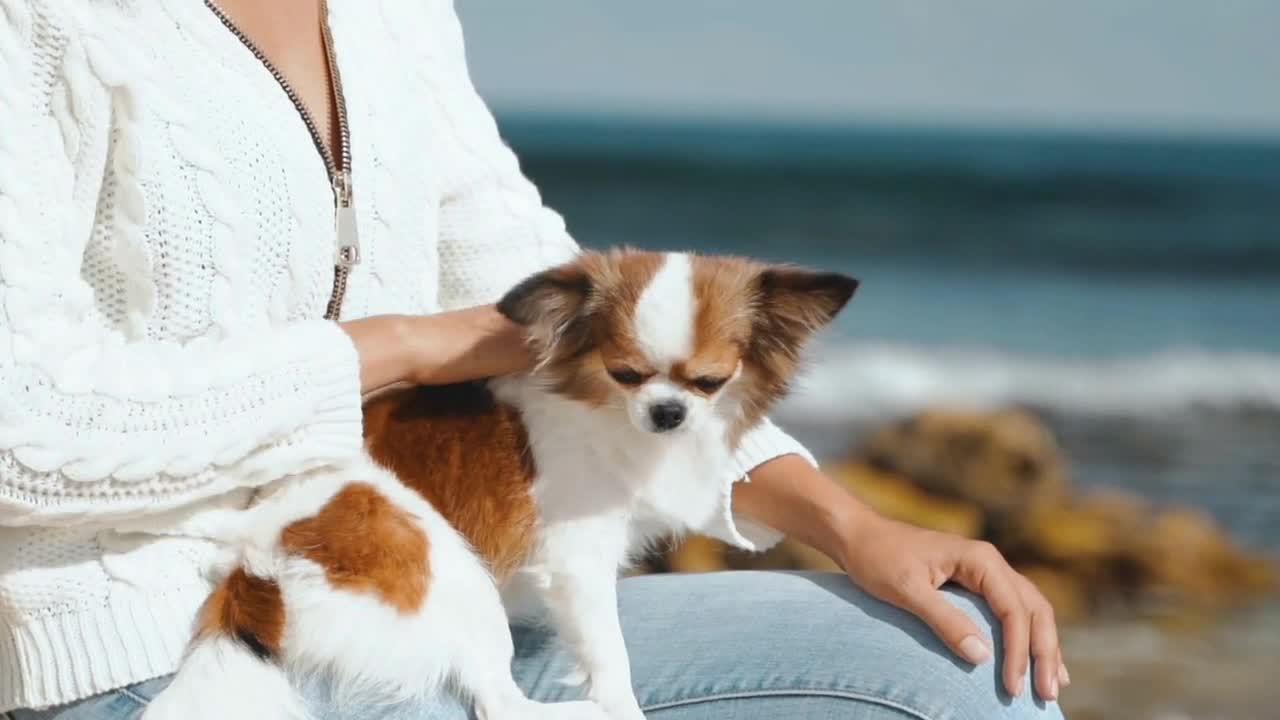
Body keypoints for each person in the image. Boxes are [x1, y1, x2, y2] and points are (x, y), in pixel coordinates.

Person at [0, 1, 1066, 718]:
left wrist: (848, 523)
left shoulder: (391, 13)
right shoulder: (45, 25)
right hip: (153, 655)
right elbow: (19, 426)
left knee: (962, 672)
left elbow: (549, 289)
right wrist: (394, 350)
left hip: (437, 613)